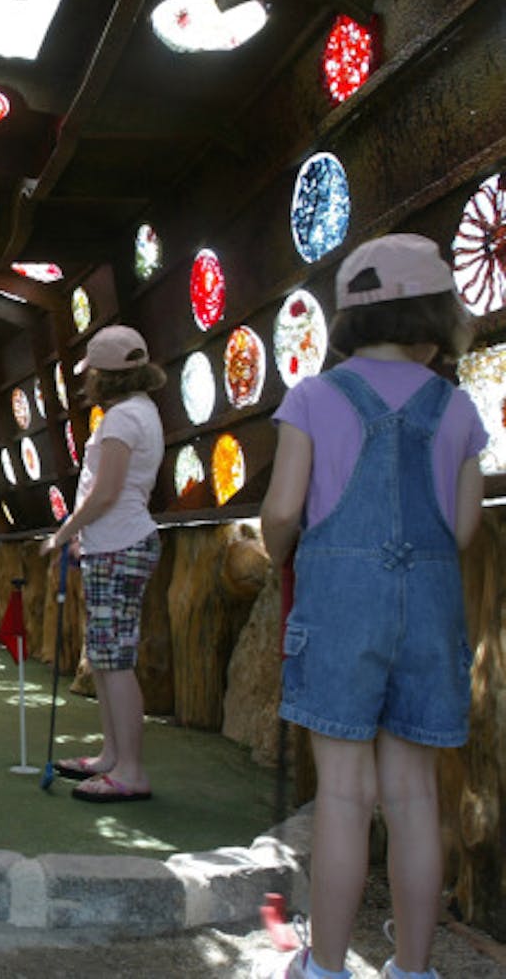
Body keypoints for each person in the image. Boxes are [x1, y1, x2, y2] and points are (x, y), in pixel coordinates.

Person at [259, 234, 484, 979]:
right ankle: (413, 968)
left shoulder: (314, 397)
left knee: (345, 795)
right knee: (414, 795)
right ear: (432, 318)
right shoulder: (456, 407)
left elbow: (283, 510)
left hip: (341, 609)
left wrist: (284, 544)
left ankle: (325, 966)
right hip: (430, 608)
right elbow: (465, 529)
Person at [42, 325, 165, 803]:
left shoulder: (120, 421)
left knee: (115, 662)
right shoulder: (142, 412)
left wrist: (64, 533)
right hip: (115, 543)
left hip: (119, 546)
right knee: (108, 657)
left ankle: (130, 770)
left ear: (102, 376)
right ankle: (112, 756)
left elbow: (107, 491)